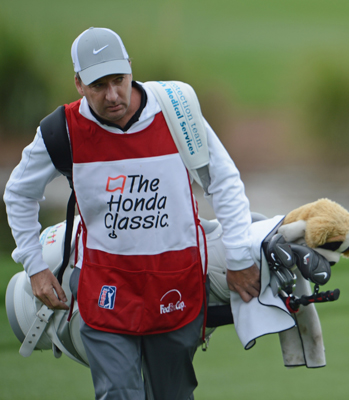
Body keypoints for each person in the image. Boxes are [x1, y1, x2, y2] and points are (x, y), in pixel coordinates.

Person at [4, 27, 260, 399]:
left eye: (118, 81)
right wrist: (34, 266)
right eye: (98, 86)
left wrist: (238, 256)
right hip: (105, 293)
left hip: (176, 286)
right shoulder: (61, 131)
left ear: (130, 69)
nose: (112, 96)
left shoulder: (176, 111)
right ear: (78, 84)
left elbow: (224, 181)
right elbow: (18, 193)